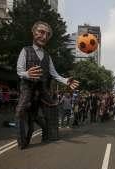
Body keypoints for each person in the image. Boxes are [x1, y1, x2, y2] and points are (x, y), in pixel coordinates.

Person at [16, 21, 79, 149]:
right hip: (28, 88)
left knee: (50, 111)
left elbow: (54, 74)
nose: (44, 36)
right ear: (33, 33)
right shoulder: (25, 50)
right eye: (41, 32)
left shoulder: (47, 56)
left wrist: (66, 81)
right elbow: (19, 71)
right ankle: (23, 141)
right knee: (20, 111)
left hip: (42, 90)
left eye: (47, 34)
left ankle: (49, 134)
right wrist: (27, 74)